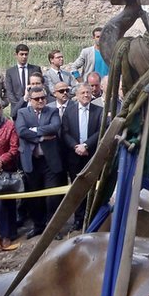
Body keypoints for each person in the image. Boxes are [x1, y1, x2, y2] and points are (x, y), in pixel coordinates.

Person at [15, 85, 65, 238]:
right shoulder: (22, 112)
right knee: (35, 197)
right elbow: (21, 131)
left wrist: (34, 130)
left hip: (49, 162)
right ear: (30, 100)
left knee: (52, 197)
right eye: (37, 99)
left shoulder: (52, 111)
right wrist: (42, 137)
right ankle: (38, 226)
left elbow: (55, 127)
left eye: (43, 97)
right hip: (32, 161)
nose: (41, 100)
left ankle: (53, 228)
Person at [61, 84, 102, 231]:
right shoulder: (69, 111)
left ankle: (94, 217)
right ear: (77, 95)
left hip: (91, 155)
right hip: (74, 157)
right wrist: (76, 147)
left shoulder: (99, 111)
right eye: (83, 93)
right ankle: (78, 219)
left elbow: (100, 131)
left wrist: (86, 145)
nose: (86, 95)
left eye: (88, 92)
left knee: (93, 188)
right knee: (77, 189)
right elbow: (64, 132)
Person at [4, 43, 43, 117]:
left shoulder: (35, 69)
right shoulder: (10, 72)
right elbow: (9, 92)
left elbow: (40, 87)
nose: (24, 57)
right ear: (16, 55)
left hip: (33, 107)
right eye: (21, 54)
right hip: (17, 108)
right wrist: (20, 104)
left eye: (26, 54)